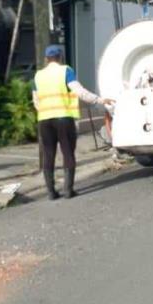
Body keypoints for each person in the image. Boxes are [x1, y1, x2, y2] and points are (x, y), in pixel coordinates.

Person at [33, 45, 113, 200]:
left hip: (44, 120)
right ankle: (68, 191)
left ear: (46, 59)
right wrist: (100, 100)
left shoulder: (38, 75)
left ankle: (51, 192)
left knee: (48, 154)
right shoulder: (65, 71)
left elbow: (36, 100)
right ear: (60, 57)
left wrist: (44, 111)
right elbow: (79, 91)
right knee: (68, 153)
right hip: (63, 118)